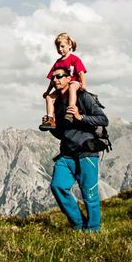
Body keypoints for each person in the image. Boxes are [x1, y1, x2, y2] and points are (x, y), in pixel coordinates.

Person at [47, 66, 108, 232]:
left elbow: (103, 119)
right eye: (53, 78)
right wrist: (51, 126)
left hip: (86, 153)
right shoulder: (57, 103)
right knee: (57, 186)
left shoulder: (83, 97)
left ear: (69, 78)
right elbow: (62, 133)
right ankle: (79, 225)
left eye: (59, 76)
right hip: (66, 154)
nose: (55, 80)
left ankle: (93, 230)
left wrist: (80, 117)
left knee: (89, 194)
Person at [40, 32, 87, 131]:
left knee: (72, 87)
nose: (60, 49)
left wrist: (83, 84)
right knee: (49, 98)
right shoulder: (58, 62)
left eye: (62, 46)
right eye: (58, 47)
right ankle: (50, 119)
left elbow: (81, 73)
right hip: (62, 86)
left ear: (69, 45)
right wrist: (48, 91)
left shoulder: (75, 59)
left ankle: (70, 111)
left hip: (74, 83)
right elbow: (53, 79)